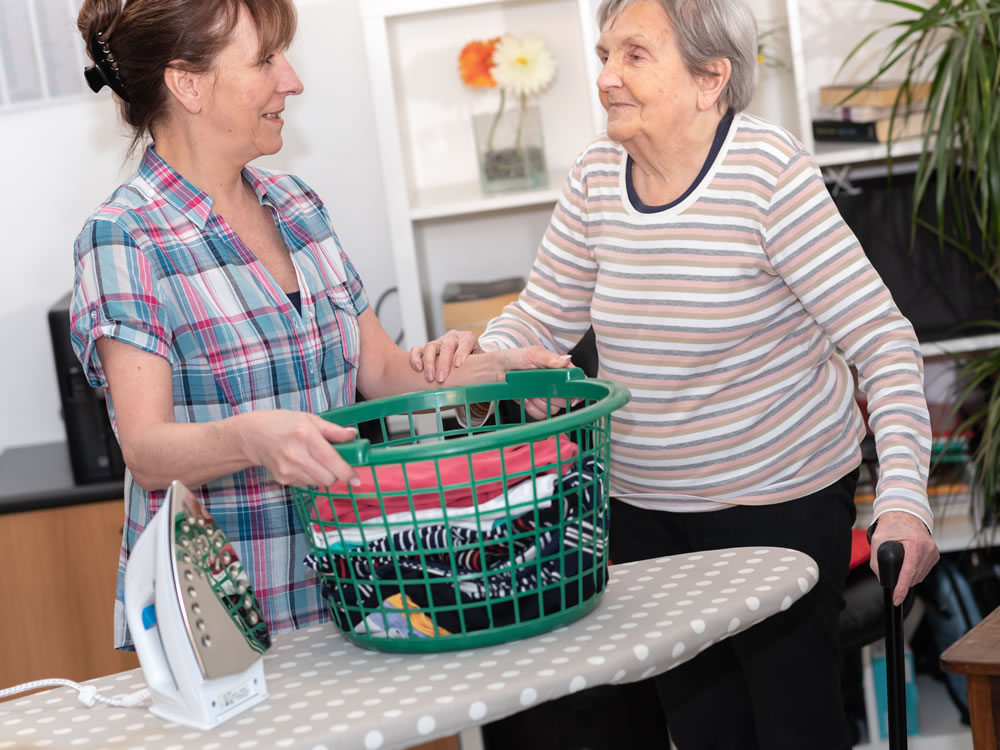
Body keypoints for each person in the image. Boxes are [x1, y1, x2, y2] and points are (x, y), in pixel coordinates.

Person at [410, 0, 940, 747]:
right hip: (646, 512)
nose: (605, 78)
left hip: (779, 503)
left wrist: (906, 498)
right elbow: (541, 315)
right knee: (702, 729)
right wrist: (482, 356)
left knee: (795, 727)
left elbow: (883, 340)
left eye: (633, 55)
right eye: (603, 56)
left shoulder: (767, 174)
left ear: (709, 78)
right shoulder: (598, 175)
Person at [71, 0, 569, 651]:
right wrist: (253, 439)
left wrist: (493, 374)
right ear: (187, 82)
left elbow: (385, 371)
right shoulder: (125, 237)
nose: (293, 80)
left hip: (353, 593)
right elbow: (146, 449)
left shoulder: (297, 205)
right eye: (265, 60)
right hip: (224, 621)